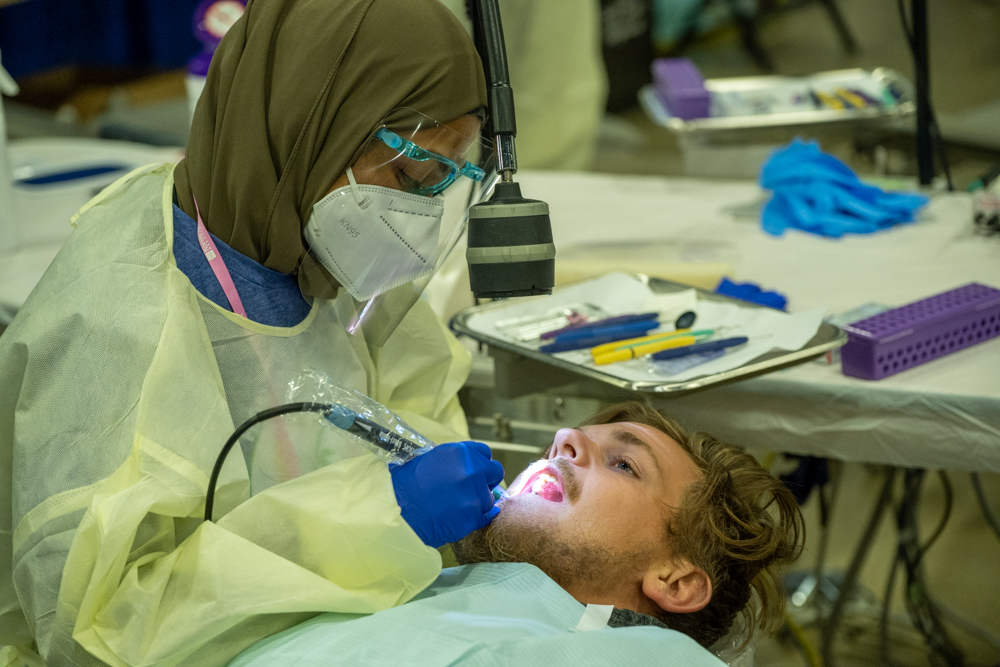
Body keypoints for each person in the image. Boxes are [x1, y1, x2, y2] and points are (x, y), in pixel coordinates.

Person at [0, 1, 509, 665]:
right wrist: (382, 519)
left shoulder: (336, 252)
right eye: (411, 175)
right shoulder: (116, 321)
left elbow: (417, 414)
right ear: (310, 122)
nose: (414, 215)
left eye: (445, 180)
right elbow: (98, 629)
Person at [229, 402, 805, 666]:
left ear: (676, 580)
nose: (562, 438)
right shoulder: (397, 578)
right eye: (572, 439)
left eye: (624, 464)